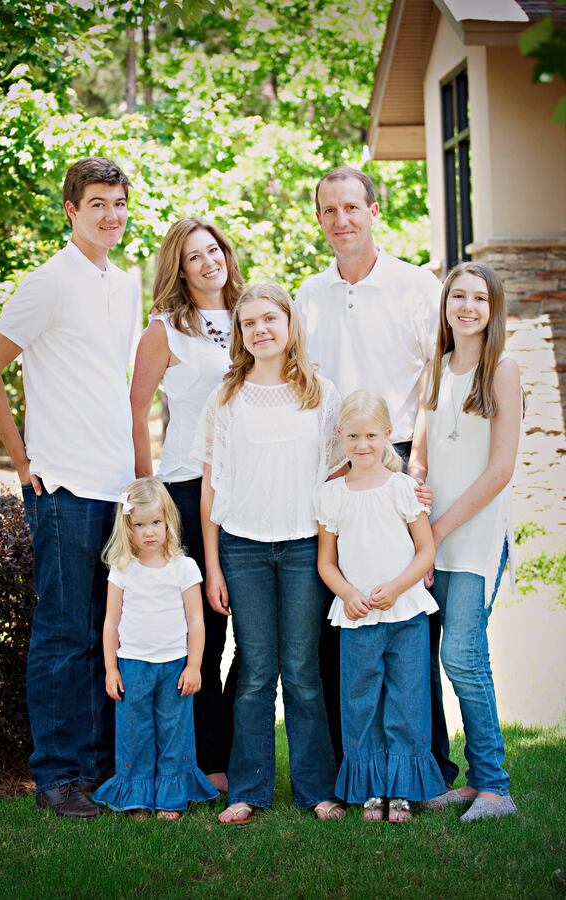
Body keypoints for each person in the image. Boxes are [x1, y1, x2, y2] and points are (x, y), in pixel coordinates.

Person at [0, 158, 139, 818]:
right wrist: (21, 459)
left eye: (119, 203)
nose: (110, 215)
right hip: (62, 483)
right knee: (64, 635)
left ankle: (96, 770)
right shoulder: (47, 282)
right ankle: (56, 777)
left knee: (104, 634)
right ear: (71, 209)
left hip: (114, 485)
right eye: (97, 203)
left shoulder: (124, 285)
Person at [295, 165, 457, 784]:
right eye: (329, 210)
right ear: (319, 219)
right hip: (338, 466)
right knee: (346, 618)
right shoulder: (308, 296)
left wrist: (415, 458)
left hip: (402, 456)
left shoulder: (417, 286)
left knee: (415, 619)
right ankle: (355, 767)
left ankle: (429, 764)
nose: (341, 221)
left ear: (374, 211)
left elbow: (435, 377)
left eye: (351, 208)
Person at [193, 283, 344, 825]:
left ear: (288, 325)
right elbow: (211, 487)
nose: (260, 330)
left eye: (269, 319)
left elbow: (337, 476)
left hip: (305, 546)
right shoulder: (225, 399)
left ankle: (316, 789)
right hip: (243, 547)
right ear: (240, 334)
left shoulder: (321, 393)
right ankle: (248, 789)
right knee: (255, 670)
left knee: (303, 669)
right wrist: (212, 564)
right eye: (249, 322)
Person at [130, 216, 243, 793]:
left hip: (248, 489)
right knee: (205, 634)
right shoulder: (165, 329)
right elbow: (138, 409)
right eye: (193, 256)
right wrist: (146, 493)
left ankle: (241, 754)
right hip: (183, 487)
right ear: (179, 267)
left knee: (254, 632)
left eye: (213, 250)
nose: (207, 262)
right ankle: (207, 762)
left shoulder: (253, 316)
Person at [410, 262, 521, 822]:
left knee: (463, 657)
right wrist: (415, 492)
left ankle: (497, 787)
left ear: (492, 307)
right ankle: (474, 782)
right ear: (446, 304)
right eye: (459, 296)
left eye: (479, 297)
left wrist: (440, 529)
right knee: (437, 657)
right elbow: (421, 452)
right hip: (433, 535)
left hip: (473, 537)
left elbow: (500, 469)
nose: (468, 306)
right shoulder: (437, 367)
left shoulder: (502, 370)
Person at [316, 390, 446, 823]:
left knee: (406, 699)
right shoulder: (332, 495)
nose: (362, 444)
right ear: (340, 435)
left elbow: (425, 551)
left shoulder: (402, 488)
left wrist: (396, 586)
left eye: (372, 435)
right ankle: (372, 789)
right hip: (357, 617)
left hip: (405, 613)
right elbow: (326, 562)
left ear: (389, 434)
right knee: (360, 701)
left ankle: (403, 790)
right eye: (353, 435)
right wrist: (348, 594)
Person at [91, 477, 218, 819]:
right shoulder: (122, 570)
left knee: (174, 730)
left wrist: (194, 666)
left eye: (156, 522)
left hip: (175, 665)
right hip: (132, 665)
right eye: (140, 524)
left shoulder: (183, 567)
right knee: (136, 732)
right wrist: (111, 668)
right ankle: (137, 793)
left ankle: (170, 795)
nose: (149, 531)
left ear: (168, 522)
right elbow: (110, 624)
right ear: (127, 527)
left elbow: (196, 622)